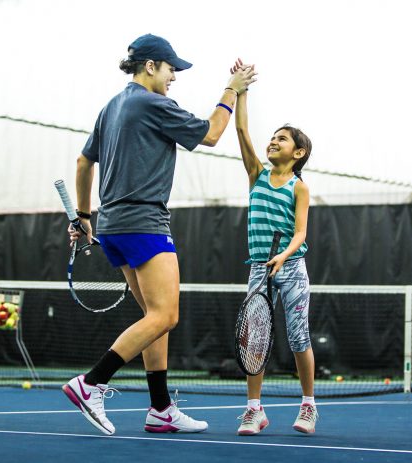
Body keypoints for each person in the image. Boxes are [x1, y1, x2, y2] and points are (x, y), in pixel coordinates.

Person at [61, 34, 256, 436]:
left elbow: (83, 162)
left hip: (114, 226)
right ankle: (91, 383)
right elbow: (212, 133)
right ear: (150, 66)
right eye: (171, 69)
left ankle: (161, 409)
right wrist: (231, 90)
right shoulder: (151, 103)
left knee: (155, 319)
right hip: (143, 224)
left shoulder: (111, 107)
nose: (173, 78)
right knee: (167, 315)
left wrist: (83, 216)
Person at [229, 59, 318, 435]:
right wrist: (241, 90)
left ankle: (309, 406)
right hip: (259, 269)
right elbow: (242, 128)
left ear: (297, 153)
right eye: (273, 137)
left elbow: (300, 233)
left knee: (299, 336)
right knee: (255, 339)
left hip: (292, 268)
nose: (273, 141)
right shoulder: (256, 174)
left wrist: (284, 256)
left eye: (282, 138)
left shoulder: (300, 187)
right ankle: (254, 410)